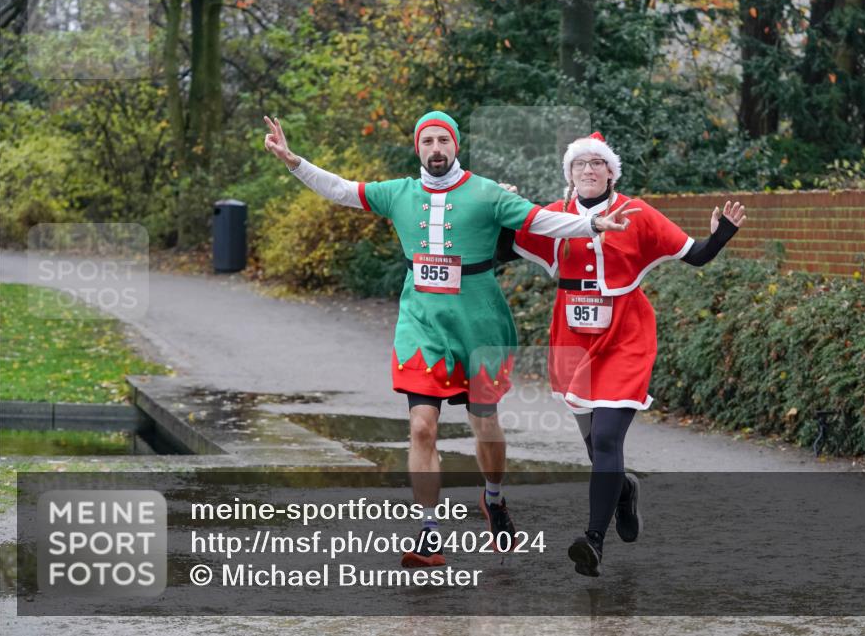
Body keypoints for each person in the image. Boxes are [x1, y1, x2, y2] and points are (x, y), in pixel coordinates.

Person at [262, 113, 637, 568]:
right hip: (422, 327)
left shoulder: (487, 193)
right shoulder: (398, 193)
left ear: (455, 146)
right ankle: (428, 530)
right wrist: (293, 161)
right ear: (418, 148)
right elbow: (343, 189)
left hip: (480, 326)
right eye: (428, 141)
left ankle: (494, 499)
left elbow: (542, 222)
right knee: (421, 426)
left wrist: (592, 226)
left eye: (444, 140)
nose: (436, 148)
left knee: (485, 426)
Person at [510, 132, 746, 576]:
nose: (589, 170)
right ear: (570, 173)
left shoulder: (637, 213)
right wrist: (497, 208)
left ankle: (593, 541)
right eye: (580, 164)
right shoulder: (554, 215)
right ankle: (623, 492)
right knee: (595, 450)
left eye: (598, 164)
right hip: (572, 339)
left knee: (605, 440)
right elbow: (507, 245)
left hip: (625, 336)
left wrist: (721, 237)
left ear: (611, 172)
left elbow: (693, 254)